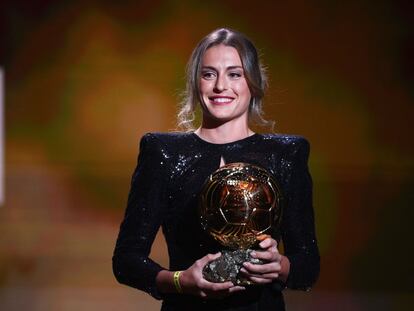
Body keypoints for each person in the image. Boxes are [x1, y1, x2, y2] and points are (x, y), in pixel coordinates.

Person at [113, 28, 320, 311]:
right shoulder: (162, 152)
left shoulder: (285, 154)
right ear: (196, 83)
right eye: (209, 74)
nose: (221, 86)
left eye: (234, 74)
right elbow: (126, 260)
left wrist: (280, 266)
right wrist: (180, 280)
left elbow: (308, 267)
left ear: (253, 81)